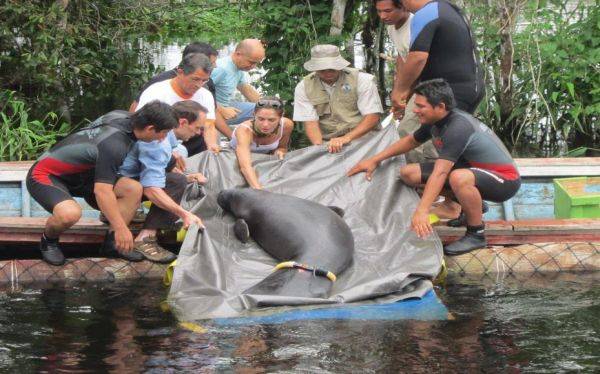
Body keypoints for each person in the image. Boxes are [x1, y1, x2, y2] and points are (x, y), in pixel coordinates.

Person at [348, 79, 520, 256]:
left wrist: (422, 211)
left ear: (440, 106)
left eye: (421, 106)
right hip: (473, 174)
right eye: (415, 105)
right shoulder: (434, 120)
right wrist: (375, 159)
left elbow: (440, 172)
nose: (415, 110)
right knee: (409, 173)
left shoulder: (458, 127)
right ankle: (472, 205)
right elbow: (410, 141)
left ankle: (476, 234)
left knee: (458, 177)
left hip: (505, 180)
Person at [26, 101, 179, 266]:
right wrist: (122, 228)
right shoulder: (114, 145)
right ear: (150, 128)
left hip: (85, 175)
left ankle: (113, 244)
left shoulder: (124, 116)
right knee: (69, 214)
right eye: (164, 133)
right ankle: (48, 240)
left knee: (132, 188)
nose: (163, 139)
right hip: (47, 175)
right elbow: (102, 192)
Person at [119, 101, 207, 263]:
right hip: (117, 187)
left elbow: (158, 169)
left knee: (179, 177)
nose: (199, 133)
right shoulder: (158, 142)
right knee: (177, 182)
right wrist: (184, 213)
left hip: (121, 179)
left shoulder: (168, 141)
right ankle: (146, 237)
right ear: (182, 123)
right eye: (198, 128)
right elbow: (151, 189)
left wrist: (189, 177)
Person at [391, 0, 484, 117]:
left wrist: (399, 90)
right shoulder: (450, 10)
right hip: (471, 88)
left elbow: (417, 58)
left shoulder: (426, 13)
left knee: (440, 132)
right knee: (438, 132)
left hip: (450, 91)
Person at [130, 42, 221, 156]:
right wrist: (170, 153)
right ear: (180, 72)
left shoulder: (206, 95)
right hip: (157, 141)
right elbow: (143, 129)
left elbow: (209, 126)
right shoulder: (156, 91)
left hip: (190, 138)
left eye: (204, 81)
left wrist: (211, 145)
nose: (199, 85)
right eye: (195, 79)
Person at [375, 0, 437, 165]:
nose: (383, 16)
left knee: (409, 129)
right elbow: (403, 59)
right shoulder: (391, 27)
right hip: (416, 86)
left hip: (432, 85)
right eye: (379, 11)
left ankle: (422, 174)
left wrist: (403, 94)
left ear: (403, 7)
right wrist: (398, 90)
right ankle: (421, 172)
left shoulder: (415, 23)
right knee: (415, 129)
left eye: (388, 11)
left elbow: (418, 62)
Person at [293, 44, 383, 153]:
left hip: (364, 137)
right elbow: (310, 122)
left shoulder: (362, 80)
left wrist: (346, 138)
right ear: (315, 68)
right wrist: (320, 148)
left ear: (339, 65)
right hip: (329, 142)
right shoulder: (304, 86)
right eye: (322, 70)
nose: (327, 73)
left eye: (332, 69)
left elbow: (372, 116)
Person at [228, 97, 294, 189]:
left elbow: (282, 147)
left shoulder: (287, 125)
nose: (265, 125)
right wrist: (259, 190)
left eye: (271, 120)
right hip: (234, 162)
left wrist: (280, 151)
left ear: (281, 117)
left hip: (262, 163)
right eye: (261, 119)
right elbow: (245, 166)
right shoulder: (244, 130)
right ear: (254, 114)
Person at [211, 39, 265, 137]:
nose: (253, 67)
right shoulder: (220, 69)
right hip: (212, 111)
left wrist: (271, 106)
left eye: (256, 63)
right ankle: (234, 138)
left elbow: (247, 90)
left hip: (227, 107)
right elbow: (198, 93)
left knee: (264, 110)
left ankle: (261, 144)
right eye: (251, 62)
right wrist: (220, 109)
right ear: (238, 54)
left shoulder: (238, 68)